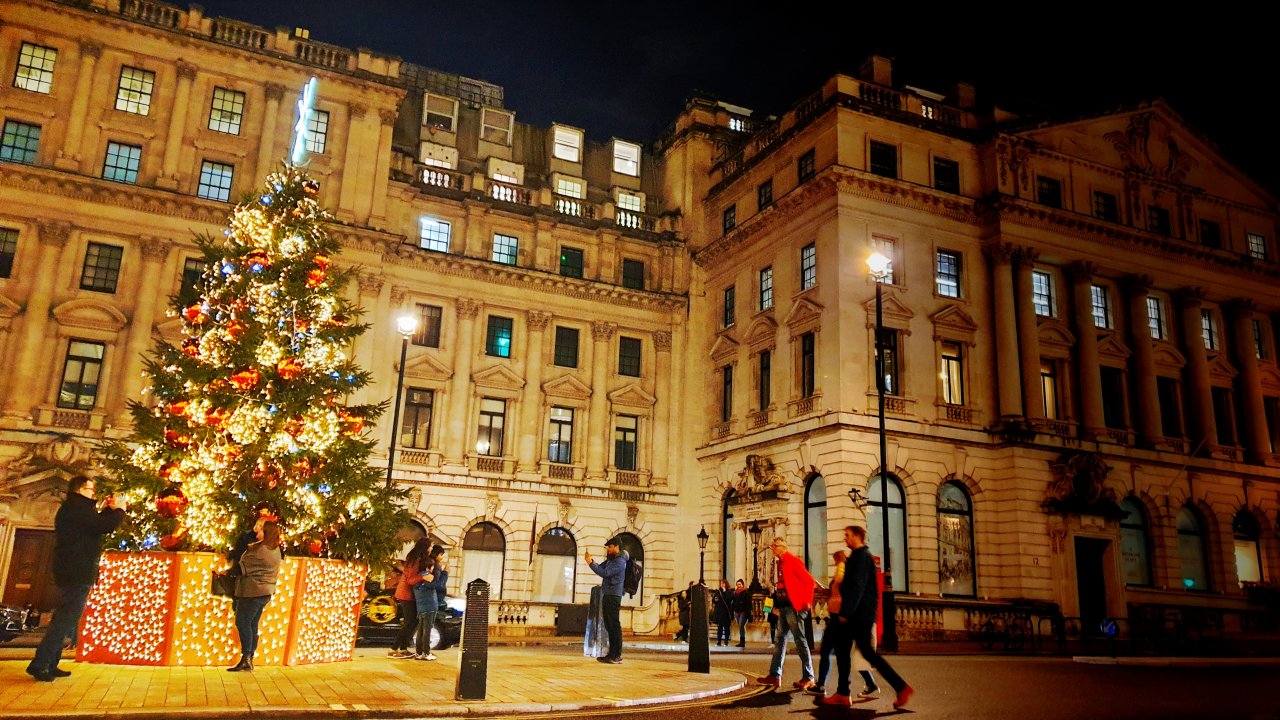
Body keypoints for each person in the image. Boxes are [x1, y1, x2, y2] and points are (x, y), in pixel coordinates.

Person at [26, 476, 127, 682]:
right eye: (91, 489)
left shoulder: (76, 509)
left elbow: (95, 524)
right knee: (66, 619)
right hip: (76, 571)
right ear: (80, 490)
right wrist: (120, 510)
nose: (93, 493)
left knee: (63, 617)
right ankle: (40, 664)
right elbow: (104, 526)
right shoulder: (76, 509)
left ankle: (50, 664)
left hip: (72, 570)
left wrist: (108, 510)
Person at [831, 525, 913, 708]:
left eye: (848, 535)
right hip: (861, 614)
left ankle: (844, 693)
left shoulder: (861, 558)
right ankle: (845, 693)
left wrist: (846, 612)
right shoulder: (858, 557)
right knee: (854, 651)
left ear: (858, 536)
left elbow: (857, 587)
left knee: (855, 652)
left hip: (858, 615)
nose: (845, 539)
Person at [810, 550, 879, 699]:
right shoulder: (842, 572)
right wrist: (825, 590)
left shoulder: (843, 570)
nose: (834, 562)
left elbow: (845, 588)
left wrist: (841, 564)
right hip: (838, 615)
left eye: (835, 559)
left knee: (836, 652)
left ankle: (829, 687)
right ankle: (865, 684)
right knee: (844, 652)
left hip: (841, 616)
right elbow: (837, 592)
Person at [757, 537, 816, 690]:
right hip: (784, 607)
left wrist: (805, 604)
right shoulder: (780, 564)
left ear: (783, 547)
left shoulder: (793, 561)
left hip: (793, 607)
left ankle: (809, 677)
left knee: (800, 640)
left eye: (775, 546)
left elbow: (809, 582)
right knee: (780, 640)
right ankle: (775, 675)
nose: (773, 549)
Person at [228, 520, 282, 672]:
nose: (256, 533)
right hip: (264, 591)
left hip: (253, 591)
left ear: (266, 533)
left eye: (260, 530)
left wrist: (227, 573)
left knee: (243, 622)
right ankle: (249, 658)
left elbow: (242, 567)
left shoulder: (261, 551)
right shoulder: (275, 549)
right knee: (252, 624)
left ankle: (246, 657)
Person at [585, 537, 628, 664]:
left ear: (616, 547)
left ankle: (616, 655)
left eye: (609, 547)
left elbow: (606, 573)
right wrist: (592, 561)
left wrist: (590, 563)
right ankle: (612, 654)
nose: (607, 550)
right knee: (609, 625)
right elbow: (601, 567)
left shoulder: (620, 561)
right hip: (608, 594)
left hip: (614, 595)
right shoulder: (612, 559)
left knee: (614, 625)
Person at [389, 539, 430, 659]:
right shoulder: (415, 560)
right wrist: (423, 576)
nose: (431, 549)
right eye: (430, 546)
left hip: (408, 594)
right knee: (409, 622)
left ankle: (402, 648)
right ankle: (394, 648)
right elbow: (410, 580)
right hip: (406, 594)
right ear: (425, 547)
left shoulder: (416, 558)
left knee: (412, 622)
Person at [412, 545, 448, 660]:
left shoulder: (418, 578)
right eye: (432, 567)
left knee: (421, 630)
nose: (433, 569)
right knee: (427, 630)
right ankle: (426, 653)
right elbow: (437, 585)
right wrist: (445, 573)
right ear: (428, 568)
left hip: (421, 608)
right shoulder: (426, 578)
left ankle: (418, 652)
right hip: (429, 607)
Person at [713, 579, 734, 646]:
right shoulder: (718, 592)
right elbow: (714, 600)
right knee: (720, 628)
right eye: (721, 584)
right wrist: (715, 599)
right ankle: (718, 641)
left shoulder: (730, 592)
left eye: (723, 584)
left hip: (726, 613)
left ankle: (726, 641)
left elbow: (729, 599)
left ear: (726, 584)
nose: (722, 585)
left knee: (727, 628)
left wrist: (725, 592)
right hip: (720, 613)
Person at [731, 579, 751, 647]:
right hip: (737, 611)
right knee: (740, 626)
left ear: (742, 585)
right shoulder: (735, 593)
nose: (738, 586)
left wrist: (748, 613)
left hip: (743, 612)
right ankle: (741, 641)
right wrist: (733, 610)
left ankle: (742, 641)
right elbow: (733, 602)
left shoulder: (746, 593)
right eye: (737, 584)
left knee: (741, 625)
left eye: (740, 584)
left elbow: (749, 604)